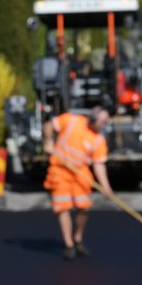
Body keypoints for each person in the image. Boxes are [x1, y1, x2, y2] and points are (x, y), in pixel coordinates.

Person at [42, 107, 114, 260]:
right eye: (101, 122)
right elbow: (49, 126)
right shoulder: (71, 120)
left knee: (84, 207)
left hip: (81, 174)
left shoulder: (98, 140)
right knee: (63, 207)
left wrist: (106, 186)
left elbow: (99, 165)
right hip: (60, 170)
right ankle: (69, 245)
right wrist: (49, 141)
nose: (103, 126)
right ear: (93, 119)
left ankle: (78, 238)